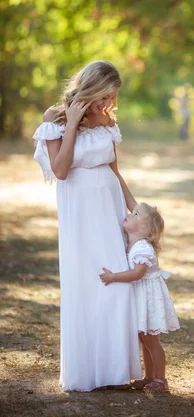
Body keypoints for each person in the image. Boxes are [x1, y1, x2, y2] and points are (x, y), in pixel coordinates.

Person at [33, 60, 142, 392]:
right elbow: (61, 170)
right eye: (105, 96)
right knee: (87, 283)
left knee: (117, 280)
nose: (109, 104)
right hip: (80, 211)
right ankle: (86, 374)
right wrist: (74, 121)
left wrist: (136, 208)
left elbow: (115, 170)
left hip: (109, 208)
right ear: (91, 87)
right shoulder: (55, 119)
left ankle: (115, 371)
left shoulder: (108, 121)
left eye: (112, 98)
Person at [99, 203, 180, 392]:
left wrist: (113, 277)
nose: (130, 213)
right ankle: (149, 376)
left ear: (144, 230)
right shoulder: (130, 242)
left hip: (148, 299)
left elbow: (137, 274)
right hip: (139, 296)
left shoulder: (143, 248)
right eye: (132, 212)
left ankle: (161, 380)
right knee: (144, 340)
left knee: (152, 341)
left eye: (136, 214)